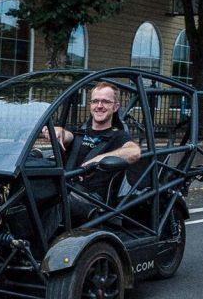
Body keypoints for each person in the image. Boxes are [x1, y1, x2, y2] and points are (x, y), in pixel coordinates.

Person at [45, 82, 140, 223]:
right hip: (66, 189)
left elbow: (134, 152)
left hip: (92, 200)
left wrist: (98, 160)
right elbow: (66, 135)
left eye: (106, 102)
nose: (99, 106)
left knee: (52, 201)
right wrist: (58, 131)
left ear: (115, 107)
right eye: (95, 101)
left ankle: (36, 245)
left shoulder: (119, 136)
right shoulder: (79, 131)